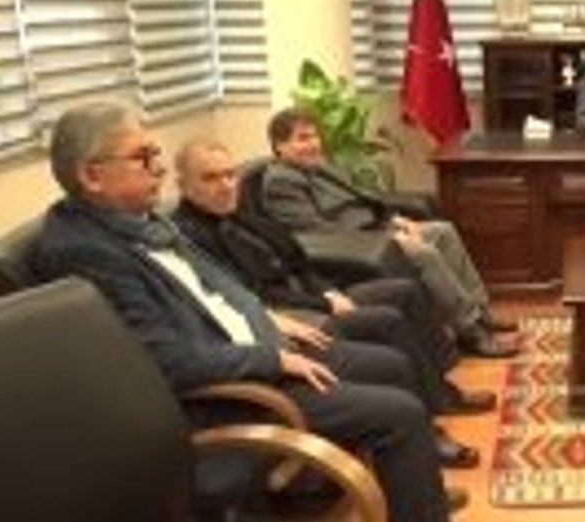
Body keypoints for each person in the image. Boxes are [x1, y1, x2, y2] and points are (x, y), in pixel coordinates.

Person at [32, 103, 498, 522]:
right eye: (143, 157)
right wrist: (271, 357)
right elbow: (164, 362)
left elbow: (219, 288)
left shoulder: (140, 221)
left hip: (259, 349)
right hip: (227, 395)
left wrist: (272, 319)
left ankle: (414, 497)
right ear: (92, 175)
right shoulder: (84, 252)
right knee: (397, 413)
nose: (160, 168)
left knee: (390, 363)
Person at [171, 140, 495, 467]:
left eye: (230, 174)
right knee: (386, 320)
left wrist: (327, 292)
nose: (226, 185)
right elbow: (257, 296)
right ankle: (426, 433)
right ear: (183, 184)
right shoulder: (188, 240)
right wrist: (323, 303)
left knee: (404, 292)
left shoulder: (238, 213)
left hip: (308, 296)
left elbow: (295, 261)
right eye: (210, 178)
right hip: (289, 317)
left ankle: (441, 394)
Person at [259, 107, 518, 359]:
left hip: (374, 231)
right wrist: (387, 239)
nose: (313, 144)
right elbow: (320, 231)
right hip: (358, 248)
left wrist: (394, 220)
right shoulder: (281, 182)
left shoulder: (318, 165)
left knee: (443, 231)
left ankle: (481, 313)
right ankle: (471, 332)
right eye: (302, 138)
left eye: (315, 136)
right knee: (423, 253)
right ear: (279, 146)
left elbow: (360, 198)